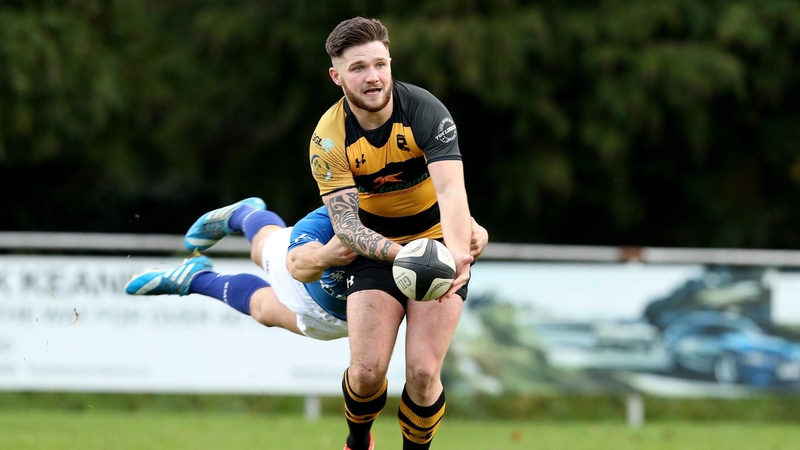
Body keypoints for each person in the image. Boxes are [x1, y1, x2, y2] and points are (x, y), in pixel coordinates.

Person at [308, 17, 478, 450]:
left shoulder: (425, 111)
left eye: (380, 64)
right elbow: (346, 226)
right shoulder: (328, 140)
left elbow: (451, 191)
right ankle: (358, 440)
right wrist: (401, 254)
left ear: (390, 63)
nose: (373, 77)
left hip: (438, 244)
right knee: (366, 373)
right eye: (358, 68)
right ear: (337, 76)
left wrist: (457, 256)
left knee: (423, 373)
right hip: (373, 248)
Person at [124, 197, 489, 343]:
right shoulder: (341, 213)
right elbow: (298, 263)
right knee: (260, 248)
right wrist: (328, 255)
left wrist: (477, 234)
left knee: (263, 311)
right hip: (307, 276)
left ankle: (195, 277)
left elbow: (464, 224)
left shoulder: (421, 213)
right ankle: (246, 214)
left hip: (346, 321)